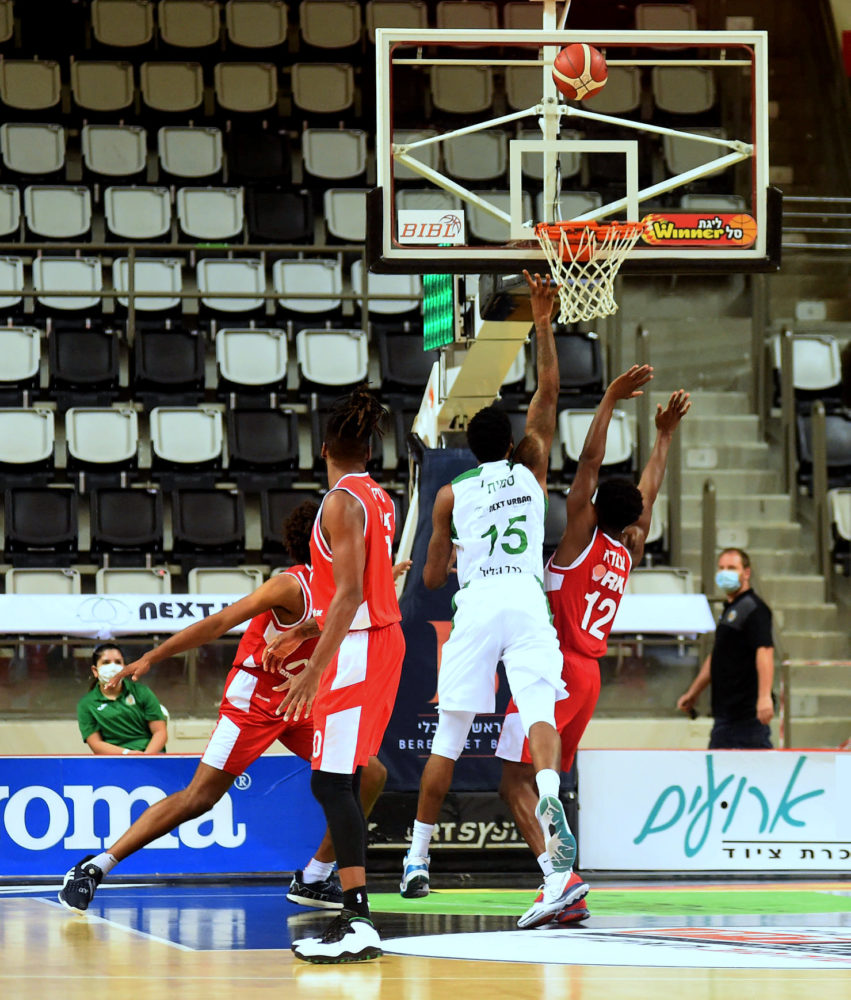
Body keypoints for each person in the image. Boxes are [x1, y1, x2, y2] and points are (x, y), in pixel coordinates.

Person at [58, 502, 390, 917]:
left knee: (370, 771)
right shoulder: (289, 586)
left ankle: (315, 876)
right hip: (254, 702)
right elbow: (218, 624)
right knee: (200, 797)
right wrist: (151, 658)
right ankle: (94, 867)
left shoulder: (347, 585)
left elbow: (352, 615)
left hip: (299, 699)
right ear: (323, 542)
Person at [400, 270, 575, 905]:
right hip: (526, 600)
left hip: (476, 604)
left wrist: (443, 558)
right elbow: (550, 393)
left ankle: (417, 861)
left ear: (470, 450)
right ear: (511, 443)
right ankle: (552, 804)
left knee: (448, 738)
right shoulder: (531, 469)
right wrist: (545, 322)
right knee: (539, 716)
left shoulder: (451, 492)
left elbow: (428, 578)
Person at [496, 374, 691, 929]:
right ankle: (566, 887)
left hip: (552, 669)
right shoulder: (629, 546)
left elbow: (587, 464)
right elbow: (646, 494)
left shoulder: (579, 539)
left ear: (595, 506)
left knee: (514, 782)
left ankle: (557, 878)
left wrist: (605, 400)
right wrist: (664, 438)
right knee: (547, 782)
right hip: (588, 679)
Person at [265, 385, 406, 964]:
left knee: (332, 782)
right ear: (369, 453)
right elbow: (358, 589)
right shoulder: (380, 497)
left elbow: (351, 592)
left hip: (358, 647)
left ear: (323, 447)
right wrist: (307, 629)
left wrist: (312, 667)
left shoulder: (339, 503)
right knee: (338, 779)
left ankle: (357, 919)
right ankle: (351, 910)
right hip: (375, 638)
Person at [677, 547, 775, 749]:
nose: (724, 573)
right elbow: (718, 655)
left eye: (731, 567)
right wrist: (694, 692)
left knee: (757, 773)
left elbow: (764, 651)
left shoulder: (754, 609)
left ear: (746, 573)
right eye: (721, 568)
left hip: (747, 717)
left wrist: (764, 697)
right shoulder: (730, 610)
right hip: (725, 715)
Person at [77, 643, 168, 756]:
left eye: (118, 662)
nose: (113, 666)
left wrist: (145, 757)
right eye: (106, 662)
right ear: (95, 670)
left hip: (149, 756)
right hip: (113, 760)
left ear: (124, 667)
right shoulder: (86, 704)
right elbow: (95, 744)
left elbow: (160, 732)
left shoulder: (142, 692)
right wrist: (127, 753)